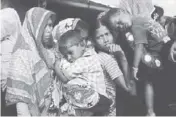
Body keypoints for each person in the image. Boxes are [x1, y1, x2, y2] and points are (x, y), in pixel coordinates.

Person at [102, 8, 174, 116]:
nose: (121, 26)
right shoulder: (141, 17)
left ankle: (150, 111)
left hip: (161, 51)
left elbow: (139, 46)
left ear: (123, 12)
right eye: (118, 27)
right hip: (166, 45)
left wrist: (134, 67)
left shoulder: (135, 27)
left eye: (119, 22)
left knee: (148, 81)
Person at [5, 7, 56, 116]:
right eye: (44, 25)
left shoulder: (43, 51)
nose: (49, 30)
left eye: (51, 25)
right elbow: (21, 98)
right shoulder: (21, 54)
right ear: (34, 26)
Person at [54, 30, 111, 116]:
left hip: (96, 98)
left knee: (70, 85)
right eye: (65, 56)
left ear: (82, 45)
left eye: (70, 53)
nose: (68, 58)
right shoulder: (88, 55)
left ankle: (75, 111)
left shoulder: (86, 59)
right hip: (92, 101)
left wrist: (57, 66)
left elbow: (67, 75)